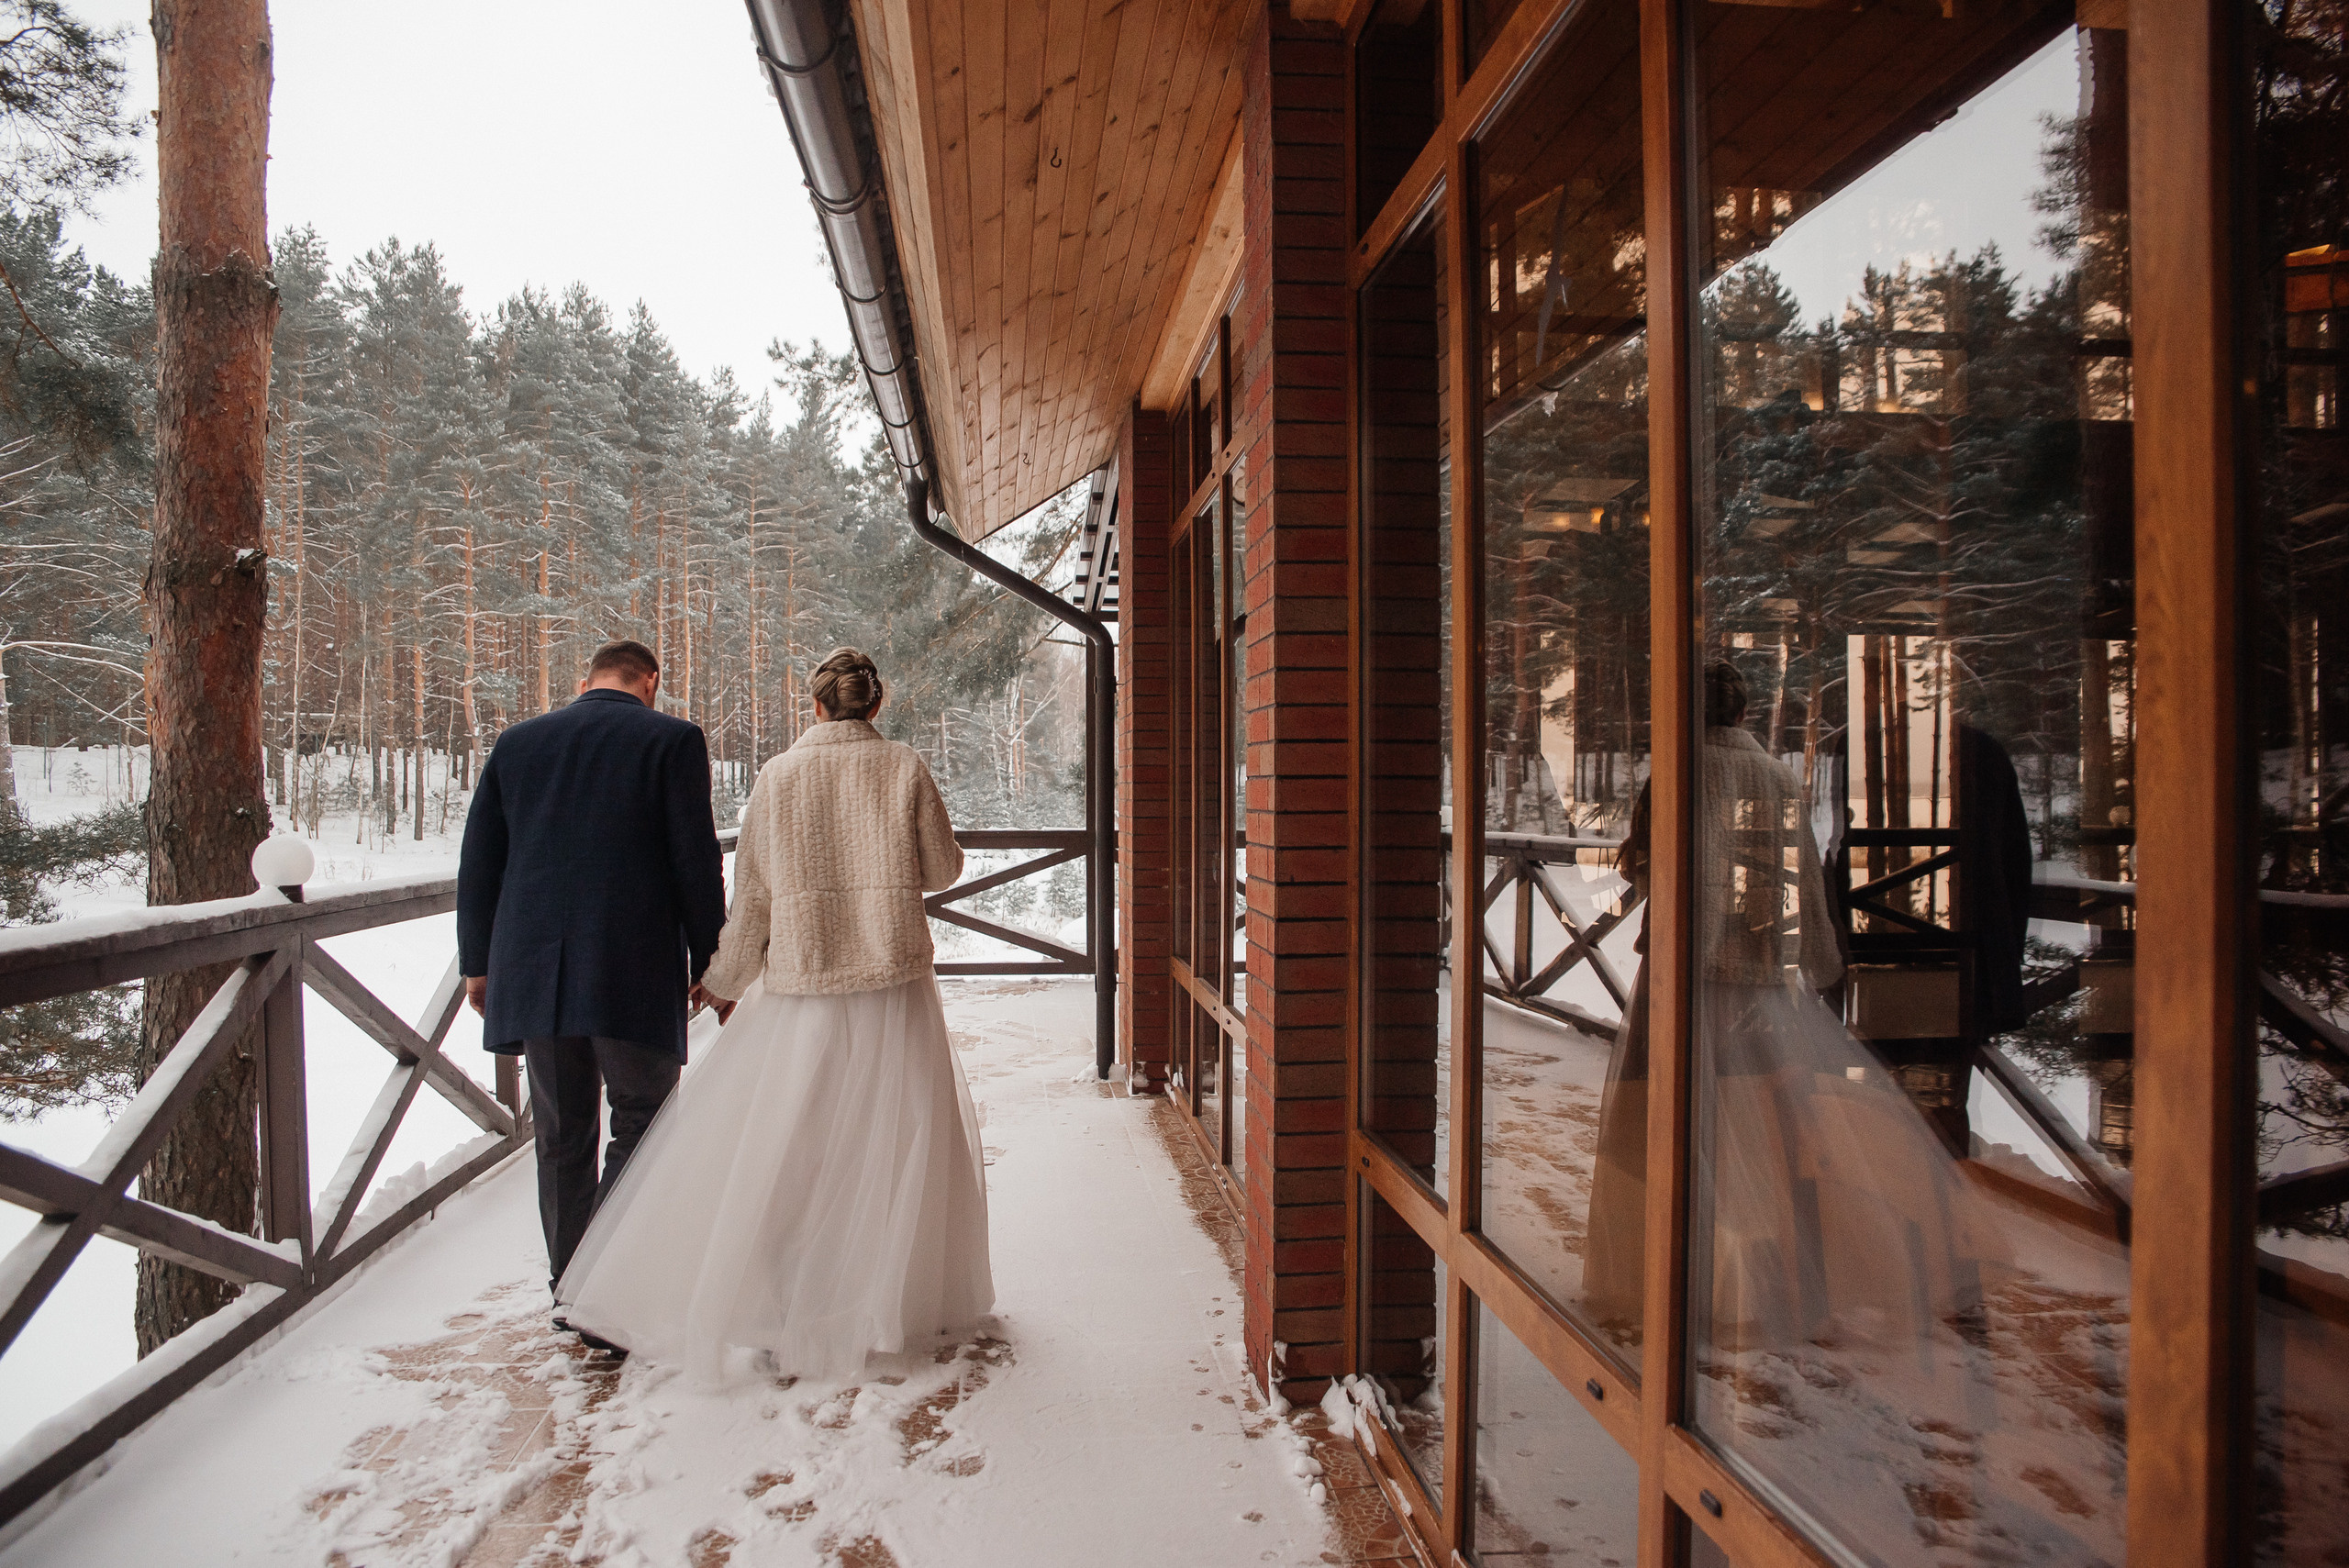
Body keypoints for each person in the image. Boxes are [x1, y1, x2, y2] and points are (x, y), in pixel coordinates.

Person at [556, 647, 994, 1384]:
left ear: (815, 706)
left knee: (798, 1144)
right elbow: (942, 868)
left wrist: (723, 978)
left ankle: (789, 1297)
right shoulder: (905, 766)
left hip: (803, 985)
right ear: (873, 706)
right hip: (892, 982)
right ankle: (890, 1300)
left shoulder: (779, 776)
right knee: (896, 1140)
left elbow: (752, 899)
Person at [455, 639, 727, 1334]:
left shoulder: (517, 744)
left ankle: (569, 1286)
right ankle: (610, 1282)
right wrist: (713, 961)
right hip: (630, 967)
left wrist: (478, 963)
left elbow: (480, 862)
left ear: (586, 680)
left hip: (537, 972)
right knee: (643, 1121)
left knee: (560, 1132)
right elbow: (695, 862)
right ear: (651, 683)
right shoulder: (673, 740)